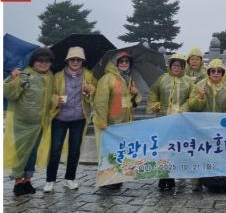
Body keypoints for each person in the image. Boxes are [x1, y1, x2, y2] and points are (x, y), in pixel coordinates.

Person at [44, 47, 97, 193]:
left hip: (79, 118)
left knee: (74, 150)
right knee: (55, 150)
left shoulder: (88, 75)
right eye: (72, 59)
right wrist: (56, 100)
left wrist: (89, 92)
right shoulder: (58, 76)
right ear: (67, 61)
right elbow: (50, 94)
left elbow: (93, 95)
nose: (75, 62)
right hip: (59, 118)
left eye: (78, 59)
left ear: (82, 61)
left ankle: (70, 178)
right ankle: (50, 180)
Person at [4, 48, 55, 196]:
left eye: (47, 61)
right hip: (22, 123)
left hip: (39, 123)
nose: (43, 63)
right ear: (33, 62)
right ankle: (18, 182)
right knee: (21, 152)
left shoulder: (50, 76)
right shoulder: (24, 74)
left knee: (32, 152)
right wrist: (13, 79)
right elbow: (9, 94)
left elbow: (49, 97)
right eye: (40, 60)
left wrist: (56, 101)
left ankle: (27, 180)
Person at [93, 51, 141, 189]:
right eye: (121, 61)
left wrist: (135, 94)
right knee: (108, 151)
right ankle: (106, 179)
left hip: (124, 122)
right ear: (116, 63)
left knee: (119, 151)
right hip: (110, 123)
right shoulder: (107, 79)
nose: (124, 64)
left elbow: (132, 103)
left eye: (127, 61)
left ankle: (116, 177)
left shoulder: (128, 79)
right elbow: (100, 102)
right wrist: (102, 121)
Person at [148, 54, 193, 191]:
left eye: (179, 65)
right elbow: (153, 93)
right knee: (164, 148)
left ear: (183, 67)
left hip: (180, 120)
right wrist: (155, 104)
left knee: (176, 148)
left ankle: (173, 174)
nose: (176, 68)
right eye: (174, 65)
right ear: (170, 66)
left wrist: (183, 109)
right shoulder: (162, 79)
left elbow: (192, 98)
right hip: (163, 118)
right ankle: (164, 176)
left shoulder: (188, 81)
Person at [188, 58, 226, 192]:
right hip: (203, 127)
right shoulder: (199, 85)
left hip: (220, 128)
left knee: (219, 154)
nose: (216, 73)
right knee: (201, 154)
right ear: (209, 72)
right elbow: (192, 105)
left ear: (222, 73)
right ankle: (197, 181)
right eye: (213, 71)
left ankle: (219, 180)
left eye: (219, 71)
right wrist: (201, 98)